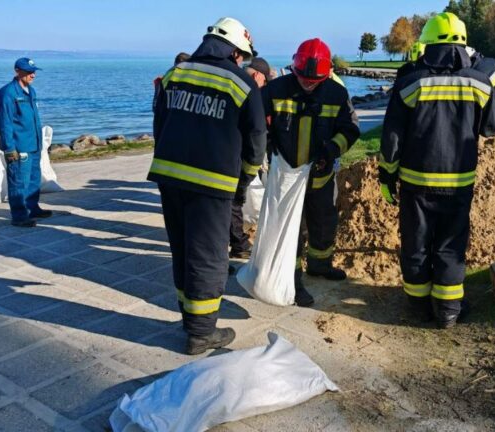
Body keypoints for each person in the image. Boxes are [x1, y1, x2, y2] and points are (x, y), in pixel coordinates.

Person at [148, 17, 266, 355]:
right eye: (242, 55)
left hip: (169, 178)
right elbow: (256, 139)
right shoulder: (242, 83)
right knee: (209, 256)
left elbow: (160, 125)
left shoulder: (174, 75)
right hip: (213, 184)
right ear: (234, 51)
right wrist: (243, 179)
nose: (242, 61)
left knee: (183, 248)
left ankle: (189, 316)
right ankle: (200, 334)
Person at [379, 13, 495, 329]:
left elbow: (392, 136)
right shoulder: (480, 83)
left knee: (416, 243)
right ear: (463, 45)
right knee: (451, 245)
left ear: (428, 45)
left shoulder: (409, 83)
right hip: (459, 183)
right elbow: (492, 127)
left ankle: (418, 307)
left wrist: (386, 176)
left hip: (415, 183)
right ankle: (448, 312)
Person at [263, 38, 360, 307]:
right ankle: (292, 281)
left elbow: (350, 129)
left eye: (313, 80)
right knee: (290, 231)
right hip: (286, 178)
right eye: (303, 78)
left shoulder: (337, 94)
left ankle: (320, 265)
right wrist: (269, 144)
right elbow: (256, 122)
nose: (307, 83)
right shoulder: (275, 89)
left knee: (324, 223)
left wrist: (330, 150)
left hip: (321, 175)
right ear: (294, 70)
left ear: (326, 74)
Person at [0, 58, 52, 228]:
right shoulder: (7, 93)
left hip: (34, 143)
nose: (32, 75)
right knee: (19, 181)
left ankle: (32, 208)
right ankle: (19, 216)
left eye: (33, 71)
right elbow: (5, 122)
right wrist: (9, 147)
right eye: (28, 72)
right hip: (19, 146)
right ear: (17, 71)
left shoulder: (31, 91)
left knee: (34, 179)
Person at [229, 57, 272, 259]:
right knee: (236, 200)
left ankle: (239, 239)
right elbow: (257, 133)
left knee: (233, 202)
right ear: (257, 75)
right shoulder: (253, 93)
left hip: (227, 153)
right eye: (265, 81)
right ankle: (239, 242)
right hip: (242, 155)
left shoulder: (234, 85)